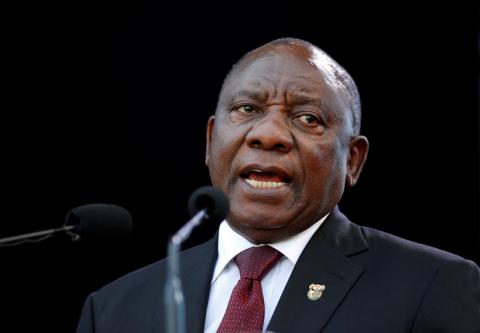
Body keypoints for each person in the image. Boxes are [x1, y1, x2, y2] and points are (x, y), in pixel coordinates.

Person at [76, 38, 480, 333]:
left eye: (308, 118)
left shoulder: (433, 284)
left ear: (353, 160)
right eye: (247, 109)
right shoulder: (113, 309)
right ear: (210, 140)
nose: (268, 135)